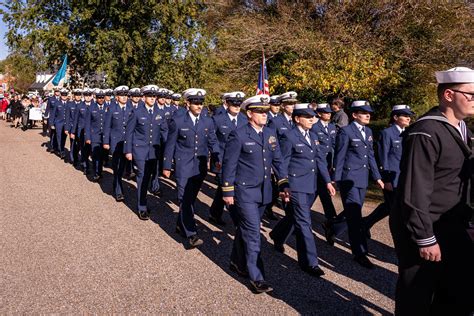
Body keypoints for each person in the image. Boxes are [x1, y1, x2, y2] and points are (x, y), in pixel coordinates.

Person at [389, 67, 474, 315]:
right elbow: (415, 190)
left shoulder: (462, 130)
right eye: (471, 94)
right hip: (426, 227)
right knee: (417, 293)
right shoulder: (425, 132)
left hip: (453, 224)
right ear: (449, 94)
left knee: (457, 291)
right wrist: (424, 237)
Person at [222, 94, 289, 293]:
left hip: (264, 192)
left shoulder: (269, 133)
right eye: (260, 111)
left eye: (266, 111)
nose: (264, 115)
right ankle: (257, 277)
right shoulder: (239, 134)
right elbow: (229, 164)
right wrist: (227, 190)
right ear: (250, 113)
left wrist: (284, 184)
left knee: (244, 229)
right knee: (253, 233)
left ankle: (236, 261)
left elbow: (278, 161)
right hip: (245, 192)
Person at [270, 103, 336, 276]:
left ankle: (277, 235)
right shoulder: (289, 137)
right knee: (304, 222)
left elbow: (320, 160)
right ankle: (309, 262)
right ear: (297, 119)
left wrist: (328, 182)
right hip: (296, 186)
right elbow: (281, 163)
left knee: (295, 216)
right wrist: (283, 185)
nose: (312, 119)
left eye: (312, 116)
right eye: (308, 117)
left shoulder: (313, 136)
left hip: (311, 185)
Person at [163, 88, 220, 248]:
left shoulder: (207, 121)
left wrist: (217, 157)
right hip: (183, 165)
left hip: (199, 167)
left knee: (191, 199)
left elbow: (213, 142)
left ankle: (181, 224)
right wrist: (167, 165)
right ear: (187, 103)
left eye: (201, 102)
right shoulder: (179, 121)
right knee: (184, 198)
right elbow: (170, 144)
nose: (199, 105)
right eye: (195, 102)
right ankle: (191, 234)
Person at [332, 100, 384, 269]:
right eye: (363, 112)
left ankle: (332, 228)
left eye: (369, 112)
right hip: (349, 179)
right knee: (355, 216)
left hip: (362, 179)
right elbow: (339, 157)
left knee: (352, 211)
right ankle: (360, 252)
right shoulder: (346, 132)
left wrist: (377, 177)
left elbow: (370, 155)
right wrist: (335, 180)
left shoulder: (368, 131)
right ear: (354, 115)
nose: (368, 115)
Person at [362, 104, 414, 238]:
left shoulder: (407, 133)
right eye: (405, 115)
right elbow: (382, 157)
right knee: (396, 210)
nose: (409, 118)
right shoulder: (387, 133)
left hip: (402, 177)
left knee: (389, 207)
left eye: (409, 116)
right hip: (391, 178)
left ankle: (364, 224)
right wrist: (386, 179)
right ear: (395, 117)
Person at [124, 85, 168, 220]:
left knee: (150, 177)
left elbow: (164, 132)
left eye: (154, 96)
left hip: (154, 152)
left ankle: (144, 200)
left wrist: (168, 150)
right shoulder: (136, 112)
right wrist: (128, 151)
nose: (153, 99)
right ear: (144, 97)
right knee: (142, 177)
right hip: (140, 150)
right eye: (150, 96)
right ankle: (141, 207)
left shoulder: (159, 113)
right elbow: (129, 133)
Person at [209, 91, 247, 226]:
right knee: (227, 188)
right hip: (222, 160)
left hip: (239, 162)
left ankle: (214, 213)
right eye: (234, 104)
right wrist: (216, 156)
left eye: (239, 104)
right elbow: (211, 138)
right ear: (227, 104)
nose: (237, 107)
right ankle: (238, 221)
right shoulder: (218, 119)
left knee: (223, 188)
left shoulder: (244, 119)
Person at [311, 103, 341, 245]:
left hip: (327, 166)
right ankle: (331, 223)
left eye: (330, 113)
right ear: (319, 114)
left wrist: (333, 165)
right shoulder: (315, 128)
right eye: (326, 113)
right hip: (317, 166)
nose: (329, 115)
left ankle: (331, 224)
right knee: (318, 195)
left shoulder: (332, 127)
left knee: (323, 194)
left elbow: (334, 146)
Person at [103, 86, 133, 202]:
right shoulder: (112, 109)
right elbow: (107, 127)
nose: (124, 97)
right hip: (115, 142)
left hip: (127, 142)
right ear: (117, 97)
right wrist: (106, 142)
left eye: (126, 95)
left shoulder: (131, 108)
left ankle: (117, 184)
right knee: (116, 166)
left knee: (123, 166)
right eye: (122, 95)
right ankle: (118, 190)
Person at [85, 89, 108, 181]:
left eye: (102, 97)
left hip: (105, 137)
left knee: (103, 156)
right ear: (96, 98)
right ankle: (96, 173)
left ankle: (100, 171)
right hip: (94, 136)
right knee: (95, 155)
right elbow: (87, 124)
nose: (101, 99)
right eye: (99, 97)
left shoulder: (109, 107)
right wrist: (88, 137)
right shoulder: (91, 108)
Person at [71, 88, 94, 174]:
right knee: (84, 149)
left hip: (92, 131)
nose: (88, 97)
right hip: (81, 132)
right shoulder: (80, 106)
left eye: (89, 95)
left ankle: (92, 165)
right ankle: (86, 166)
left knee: (91, 149)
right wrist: (73, 132)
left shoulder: (95, 106)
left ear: (91, 96)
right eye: (86, 95)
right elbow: (75, 120)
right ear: (84, 96)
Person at [49, 88, 69, 158]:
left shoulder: (69, 103)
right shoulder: (57, 103)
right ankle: (61, 151)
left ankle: (61, 147)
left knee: (64, 137)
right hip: (58, 123)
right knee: (59, 137)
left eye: (65, 95)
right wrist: (51, 124)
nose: (64, 96)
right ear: (61, 95)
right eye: (63, 95)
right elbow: (53, 114)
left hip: (66, 124)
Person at [65, 89, 82, 165]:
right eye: (77, 95)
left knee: (79, 144)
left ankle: (77, 156)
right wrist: (66, 128)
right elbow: (67, 118)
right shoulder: (70, 104)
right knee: (73, 143)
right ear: (74, 96)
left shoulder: (83, 104)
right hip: (72, 127)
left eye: (79, 95)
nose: (78, 97)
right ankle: (73, 158)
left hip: (80, 128)